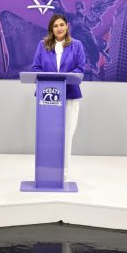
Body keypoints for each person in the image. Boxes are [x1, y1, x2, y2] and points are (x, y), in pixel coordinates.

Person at [31, 14, 86, 178]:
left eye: (62, 25)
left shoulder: (77, 45)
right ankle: (47, 171)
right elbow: (36, 68)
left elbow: (80, 68)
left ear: (67, 26)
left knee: (66, 135)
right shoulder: (42, 45)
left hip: (70, 95)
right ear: (51, 29)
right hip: (47, 97)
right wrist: (51, 79)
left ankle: (64, 172)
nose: (59, 28)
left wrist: (63, 78)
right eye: (55, 26)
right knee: (48, 134)